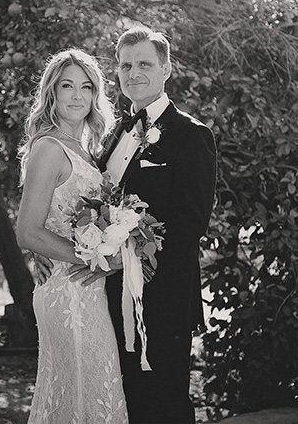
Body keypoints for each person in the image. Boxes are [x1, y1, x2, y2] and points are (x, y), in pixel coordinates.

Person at [85, 25, 217, 423]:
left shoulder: (192, 136)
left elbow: (190, 222)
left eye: (144, 63)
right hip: (108, 294)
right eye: (125, 65)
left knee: (166, 404)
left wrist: (133, 257)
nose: (133, 73)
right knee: (128, 403)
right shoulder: (115, 132)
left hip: (162, 299)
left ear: (166, 69)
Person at [15, 48, 127, 423]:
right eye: (67, 86)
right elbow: (27, 231)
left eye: (86, 86)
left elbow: (54, 218)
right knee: (88, 394)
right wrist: (99, 260)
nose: (77, 95)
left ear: (96, 95)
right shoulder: (49, 147)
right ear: (52, 93)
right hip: (69, 293)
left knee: (86, 393)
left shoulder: (86, 149)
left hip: (86, 290)